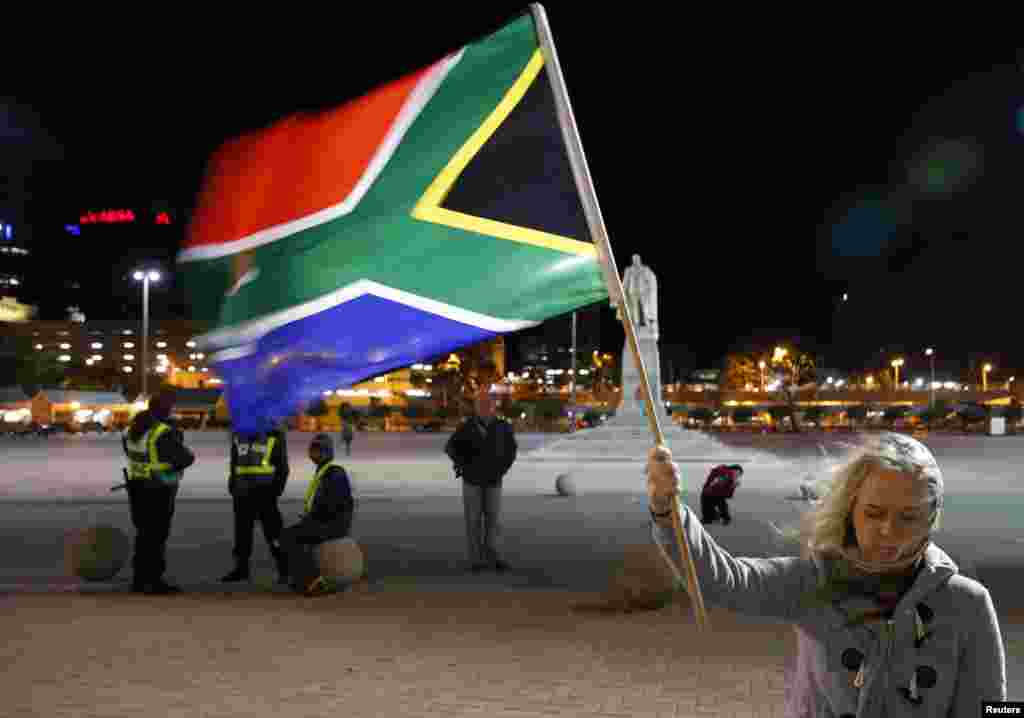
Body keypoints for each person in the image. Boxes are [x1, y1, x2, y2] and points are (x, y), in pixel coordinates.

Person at [646, 432, 1006, 713]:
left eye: (907, 517)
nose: (888, 530)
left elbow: (994, 708)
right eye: (874, 513)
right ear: (851, 510)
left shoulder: (967, 603)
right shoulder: (813, 580)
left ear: (931, 518)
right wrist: (668, 512)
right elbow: (724, 580)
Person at [121, 388, 195, 595]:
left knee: (143, 534)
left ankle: (139, 579)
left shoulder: (130, 430)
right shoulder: (162, 433)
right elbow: (185, 458)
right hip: (158, 489)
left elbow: (131, 453)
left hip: (137, 487)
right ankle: (153, 581)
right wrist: (177, 439)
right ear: (164, 411)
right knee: (156, 536)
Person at [445, 391, 517, 573]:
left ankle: (493, 557)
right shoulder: (466, 427)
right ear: (476, 408)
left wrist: (503, 468)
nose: (485, 408)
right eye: (481, 405)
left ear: (494, 407)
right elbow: (450, 448)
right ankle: (475, 561)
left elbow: (512, 450)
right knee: (473, 521)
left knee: (493, 520)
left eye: (488, 404)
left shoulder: (503, 427)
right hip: (472, 480)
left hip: (494, 480)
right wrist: (462, 465)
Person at [278, 433, 355, 596]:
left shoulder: (334, 473)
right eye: (313, 450)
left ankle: (314, 580)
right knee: (287, 536)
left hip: (332, 525)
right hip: (324, 522)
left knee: (289, 538)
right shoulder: (324, 472)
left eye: (319, 450)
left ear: (328, 453)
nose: (314, 454)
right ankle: (302, 579)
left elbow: (333, 505)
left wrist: (312, 519)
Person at [220, 424, 289, 584]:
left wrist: (275, 491)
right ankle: (241, 569)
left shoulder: (274, 434)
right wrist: (233, 483)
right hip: (242, 491)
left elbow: (283, 467)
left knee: (274, 533)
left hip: (265, 492)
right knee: (242, 533)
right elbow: (235, 461)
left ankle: (284, 569)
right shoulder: (239, 433)